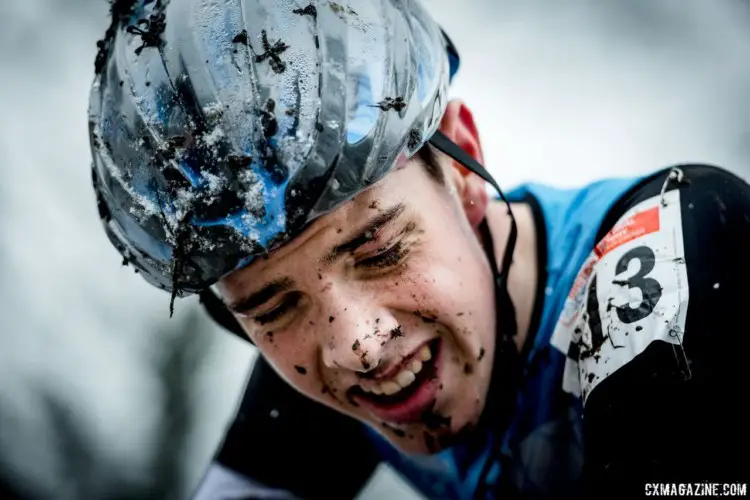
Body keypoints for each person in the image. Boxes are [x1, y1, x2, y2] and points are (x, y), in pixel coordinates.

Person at [88, 0, 750, 498]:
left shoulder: (670, 266)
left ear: (464, 169)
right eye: (272, 307)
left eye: (378, 252)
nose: (360, 346)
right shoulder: (325, 367)